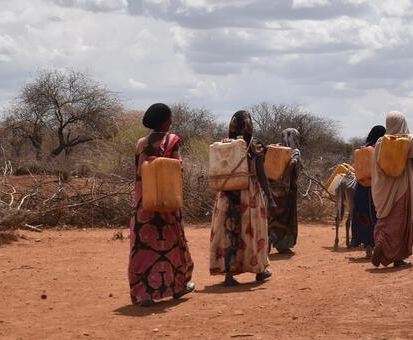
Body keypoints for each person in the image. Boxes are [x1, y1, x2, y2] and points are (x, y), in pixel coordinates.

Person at [128, 103, 194, 306]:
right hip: (166, 199)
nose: (171, 121)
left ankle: (143, 293)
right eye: (170, 118)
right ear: (165, 120)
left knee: (143, 246)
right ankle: (177, 286)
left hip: (144, 201)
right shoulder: (173, 141)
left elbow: (139, 170)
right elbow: (177, 168)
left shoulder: (141, 143)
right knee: (173, 243)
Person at [209, 110, 274, 286]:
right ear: (249, 125)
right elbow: (261, 174)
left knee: (228, 232)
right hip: (249, 193)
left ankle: (229, 275)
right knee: (253, 231)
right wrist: (270, 197)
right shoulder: (255, 146)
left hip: (227, 194)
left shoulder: (225, 144)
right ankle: (259, 270)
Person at [369, 111, 413, 268]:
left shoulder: (380, 142)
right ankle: (398, 257)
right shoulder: (410, 139)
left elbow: (376, 164)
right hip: (403, 186)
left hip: (383, 188)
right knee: (401, 220)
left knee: (385, 218)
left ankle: (380, 242)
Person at [349, 124, 384, 254]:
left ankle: (363, 242)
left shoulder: (363, 148)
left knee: (361, 214)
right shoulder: (380, 148)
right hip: (375, 187)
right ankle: (375, 243)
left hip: (360, 187)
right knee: (375, 215)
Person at [267, 127, 301, 254]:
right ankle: (282, 246)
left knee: (271, 215)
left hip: (271, 189)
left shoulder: (274, 149)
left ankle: (268, 243)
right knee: (286, 217)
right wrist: (285, 177)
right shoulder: (294, 151)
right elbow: (293, 163)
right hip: (287, 191)